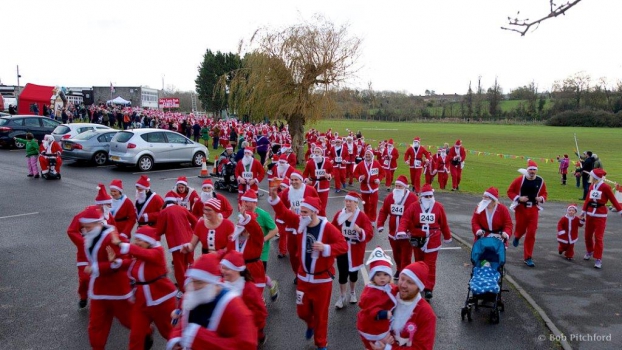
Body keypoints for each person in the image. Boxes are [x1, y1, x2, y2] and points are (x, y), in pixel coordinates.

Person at [268, 191, 347, 350]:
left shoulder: (327, 228)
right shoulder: (299, 223)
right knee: (302, 311)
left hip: (322, 280)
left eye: (304, 212)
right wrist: (275, 198)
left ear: (314, 212)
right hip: (303, 279)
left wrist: (326, 248)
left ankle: (321, 343)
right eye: (301, 211)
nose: (301, 214)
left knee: (321, 315)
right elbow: (283, 212)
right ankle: (310, 324)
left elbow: (343, 245)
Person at [167, 253, 258, 350]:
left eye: (199, 283)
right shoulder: (192, 294)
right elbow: (183, 324)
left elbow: (247, 345)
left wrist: (199, 338)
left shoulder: (234, 307)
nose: (194, 287)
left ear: (213, 283)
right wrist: (175, 339)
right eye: (193, 281)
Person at [110, 227, 177, 350]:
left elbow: (145, 254)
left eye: (140, 240)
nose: (136, 242)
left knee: (169, 333)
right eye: (136, 239)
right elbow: (130, 263)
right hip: (141, 302)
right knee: (136, 335)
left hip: (161, 301)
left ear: (149, 241)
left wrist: (121, 244)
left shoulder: (157, 252)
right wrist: (116, 262)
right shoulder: (139, 254)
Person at [79, 206, 133, 350]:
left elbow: (124, 263)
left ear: (98, 224)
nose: (85, 230)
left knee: (128, 320)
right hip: (98, 290)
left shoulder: (112, 238)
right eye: (84, 227)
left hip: (117, 290)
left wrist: (96, 268)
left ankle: (146, 332)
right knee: (96, 326)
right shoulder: (90, 236)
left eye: (88, 227)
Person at [396, 184, 452, 301]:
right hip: (418, 238)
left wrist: (447, 236)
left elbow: (443, 223)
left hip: (433, 239)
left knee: (430, 265)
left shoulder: (438, 207)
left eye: (430, 196)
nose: (428, 198)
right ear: (421, 197)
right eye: (426, 196)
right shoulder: (414, 206)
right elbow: (405, 219)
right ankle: (420, 283)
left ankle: (428, 288)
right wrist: (401, 230)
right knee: (419, 263)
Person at [370, 262, 436, 350]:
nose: (403, 285)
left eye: (410, 282)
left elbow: (422, 348)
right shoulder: (388, 295)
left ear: (419, 287)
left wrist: (388, 348)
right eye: (402, 279)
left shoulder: (426, 314)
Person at [331, 192, 373, 309]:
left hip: (355, 250)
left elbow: (369, 232)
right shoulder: (340, 214)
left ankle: (353, 292)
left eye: (350, 201)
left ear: (356, 203)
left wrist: (359, 230)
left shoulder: (362, 216)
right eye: (346, 201)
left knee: (353, 275)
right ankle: (342, 296)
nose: (348, 203)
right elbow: (332, 228)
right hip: (342, 249)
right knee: (342, 274)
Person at [220, 250, 269, 346]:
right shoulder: (221, 283)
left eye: (227, 269)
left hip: (248, 326)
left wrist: (257, 325)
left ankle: (261, 337)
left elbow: (260, 310)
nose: (223, 271)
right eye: (222, 268)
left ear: (237, 270)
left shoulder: (248, 288)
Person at [278, 170, 321, 277]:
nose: (293, 182)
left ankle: (309, 271)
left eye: (296, 179)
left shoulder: (310, 190)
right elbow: (281, 209)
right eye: (291, 180)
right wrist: (289, 212)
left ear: (301, 180)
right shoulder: (286, 192)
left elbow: (318, 204)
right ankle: (297, 274)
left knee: (308, 250)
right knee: (293, 253)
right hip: (292, 227)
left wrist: (318, 220)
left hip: (308, 226)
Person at [240, 190, 280, 301]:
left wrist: (263, 240)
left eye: (248, 201)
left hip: (261, 252)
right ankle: (268, 286)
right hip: (248, 251)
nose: (245, 203)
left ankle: (261, 297)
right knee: (249, 275)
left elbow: (275, 229)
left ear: (254, 202)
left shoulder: (263, 214)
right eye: (244, 201)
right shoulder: (243, 214)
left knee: (258, 277)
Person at [507, 160, 548, 267]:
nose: (532, 171)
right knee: (520, 228)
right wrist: (519, 198)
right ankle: (517, 236)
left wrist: (541, 198)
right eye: (531, 169)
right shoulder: (519, 180)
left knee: (531, 233)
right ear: (527, 170)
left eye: (534, 169)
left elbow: (544, 193)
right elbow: (510, 191)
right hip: (521, 209)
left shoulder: (540, 181)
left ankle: (528, 257)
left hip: (534, 209)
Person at [153, 191, 197, 290]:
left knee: (180, 268)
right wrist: (191, 232)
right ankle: (194, 284)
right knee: (189, 263)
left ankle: (183, 289)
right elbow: (195, 222)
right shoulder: (182, 209)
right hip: (190, 242)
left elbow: (159, 231)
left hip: (176, 245)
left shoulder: (163, 212)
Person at [377, 176, 419, 278]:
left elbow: (417, 214)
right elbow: (384, 211)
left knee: (406, 256)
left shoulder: (413, 198)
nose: (397, 188)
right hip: (393, 233)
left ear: (405, 188)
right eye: (396, 186)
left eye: (400, 186)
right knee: (396, 254)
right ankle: (399, 268)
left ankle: (405, 273)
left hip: (406, 234)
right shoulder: (391, 197)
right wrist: (380, 224)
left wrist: (415, 231)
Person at [356, 247, 397, 350]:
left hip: (382, 324)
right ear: (373, 277)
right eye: (378, 275)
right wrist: (382, 314)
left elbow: (396, 290)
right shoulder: (370, 292)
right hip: (371, 327)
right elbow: (369, 308)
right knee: (374, 345)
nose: (382, 277)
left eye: (385, 274)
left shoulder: (389, 286)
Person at [580, 169, 622, 268]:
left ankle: (598, 258)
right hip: (590, 213)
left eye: (591, 176)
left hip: (600, 215)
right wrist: (583, 212)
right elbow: (587, 199)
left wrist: (620, 211)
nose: (590, 178)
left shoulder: (605, 187)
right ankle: (589, 250)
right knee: (587, 235)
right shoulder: (591, 186)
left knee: (598, 237)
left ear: (595, 177)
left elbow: (613, 200)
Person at [353, 148, 385, 226]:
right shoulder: (360, 164)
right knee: (366, 204)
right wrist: (360, 177)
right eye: (366, 154)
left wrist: (379, 179)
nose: (367, 156)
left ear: (372, 156)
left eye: (369, 154)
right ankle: (367, 219)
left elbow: (382, 173)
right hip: (364, 188)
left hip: (374, 187)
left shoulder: (376, 163)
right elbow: (355, 173)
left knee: (374, 204)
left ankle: (373, 220)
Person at [303, 144, 334, 217]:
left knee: (322, 206)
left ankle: (323, 221)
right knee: (313, 205)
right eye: (315, 152)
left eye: (318, 152)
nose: (316, 154)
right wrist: (306, 180)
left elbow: (332, 171)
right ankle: (314, 219)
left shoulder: (327, 162)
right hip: (313, 186)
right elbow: (305, 174)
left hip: (324, 186)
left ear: (321, 153)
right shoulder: (310, 163)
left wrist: (329, 175)